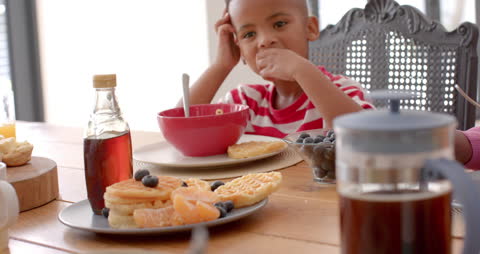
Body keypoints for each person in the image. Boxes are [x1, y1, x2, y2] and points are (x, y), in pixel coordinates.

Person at [182, 0, 373, 138]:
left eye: (279, 24)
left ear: (310, 28)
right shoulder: (245, 102)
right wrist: (221, 65)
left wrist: (301, 69)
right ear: (238, 46)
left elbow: (366, 139)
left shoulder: (343, 90)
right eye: (249, 34)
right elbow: (181, 126)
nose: (265, 40)